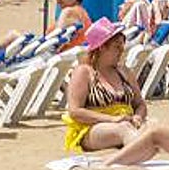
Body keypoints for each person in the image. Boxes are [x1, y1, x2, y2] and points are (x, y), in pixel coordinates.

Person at [62, 18, 148, 154]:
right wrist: (112, 119)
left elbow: (140, 104)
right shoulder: (84, 72)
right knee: (123, 129)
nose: (121, 50)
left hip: (126, 122)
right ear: (102, 47)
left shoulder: (124, 72)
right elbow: (75, 111)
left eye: (122, 46)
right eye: (117, 47)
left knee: (153, 127)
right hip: (92, 127)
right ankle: (140, 154)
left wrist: (138, 117)